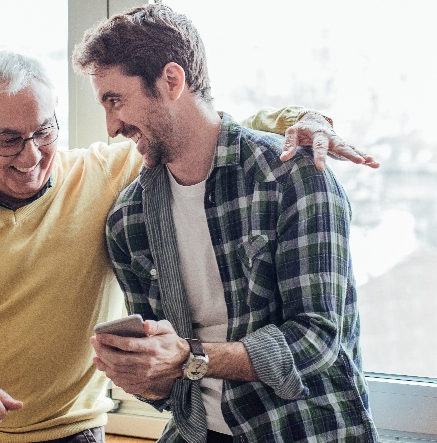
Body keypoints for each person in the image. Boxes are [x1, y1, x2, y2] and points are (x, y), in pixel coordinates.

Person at [0, 50, 368, 442]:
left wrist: (299, 120)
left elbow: (198, 126)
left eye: (44, 131)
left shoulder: (103, 174)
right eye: (8, 139)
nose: (32, 156)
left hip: (72, 435)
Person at [74, 4, 378, 443]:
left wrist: (188, 358)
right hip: (197, 432)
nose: (111, 125)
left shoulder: (291, 177)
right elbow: (169, 388)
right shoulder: (129, 220)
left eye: (115, 100)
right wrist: (143, 369)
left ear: (172, 81)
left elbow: (317, 340)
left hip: (300, 429)